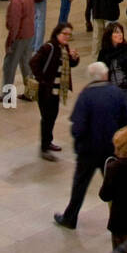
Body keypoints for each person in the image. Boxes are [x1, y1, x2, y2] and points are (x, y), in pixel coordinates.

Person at [53, 61, 127, 229]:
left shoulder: (86, 95)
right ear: (105, 75)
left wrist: (79, 143)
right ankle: (122, 220)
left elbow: (78, 126)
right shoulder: (116, 93)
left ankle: (70, 218)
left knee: (80, 185)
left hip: (88, 151)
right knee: (115, 187)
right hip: (112, 150)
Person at [32, 20, 80, 160]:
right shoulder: (50, 47)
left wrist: (74, 58)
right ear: (57, 33)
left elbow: (69, 64)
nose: (66, 37)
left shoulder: (64, 47)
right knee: (47, 118)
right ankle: (44, 147)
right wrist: (42, 80)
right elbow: (33, 62)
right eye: (64, 34)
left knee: (52, 117)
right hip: (46, 91)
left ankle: (48, 142)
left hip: (56, 91)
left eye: (69, 35)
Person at [0, 0, 34, 103]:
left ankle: (7, 96)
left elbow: (15, 23)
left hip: (19, 37)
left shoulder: (17, 1)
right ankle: (31, 93)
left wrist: (10, 40)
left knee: (9, 65)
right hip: (29, 34)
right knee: (26, 64)